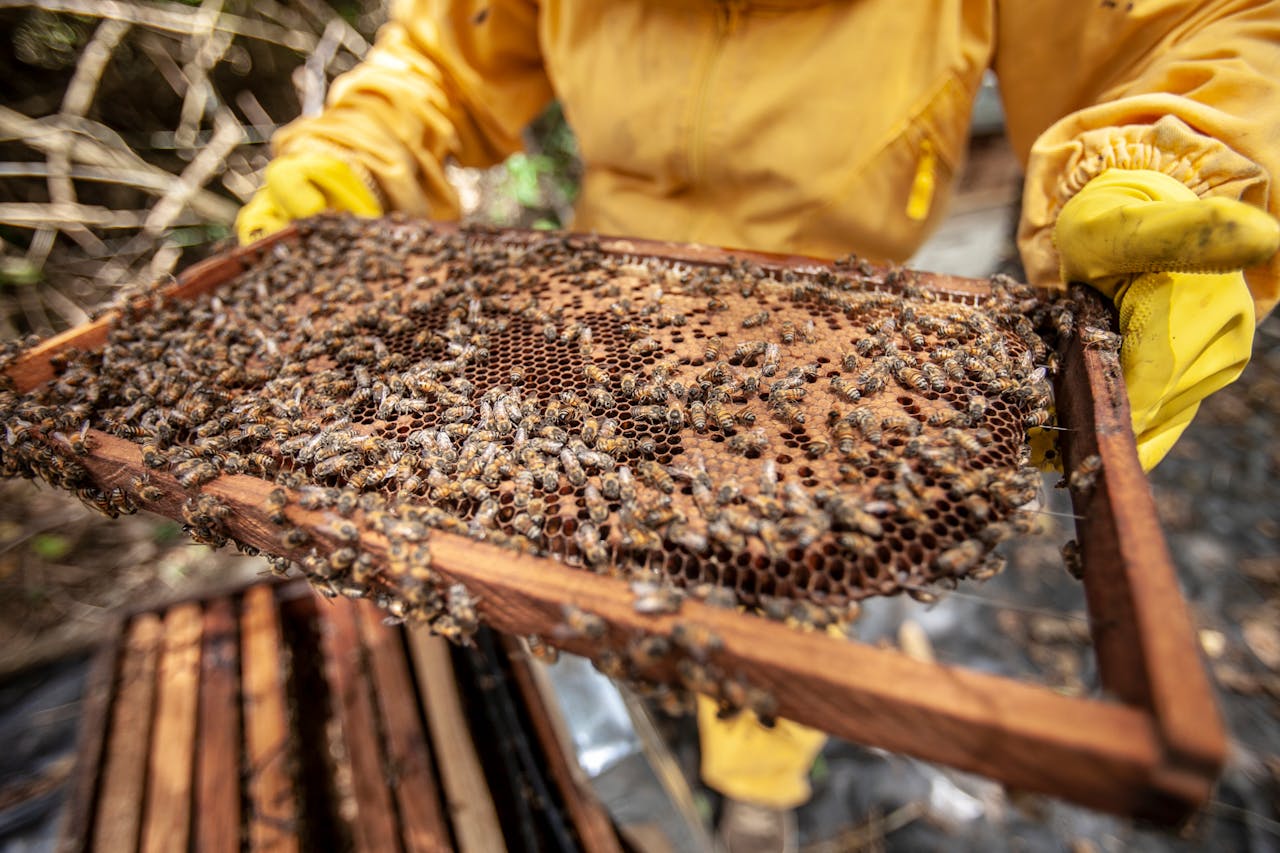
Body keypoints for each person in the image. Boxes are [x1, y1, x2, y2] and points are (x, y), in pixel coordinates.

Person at [237, 2, 1280, 849]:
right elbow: (441, 54)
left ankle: (757, 782)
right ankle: (640, 682)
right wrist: (358, 155)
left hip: (829, 343)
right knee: (582, 546)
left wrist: (1181, 157)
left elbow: (1194, 24)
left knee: (781, 596)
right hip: (597, 317)